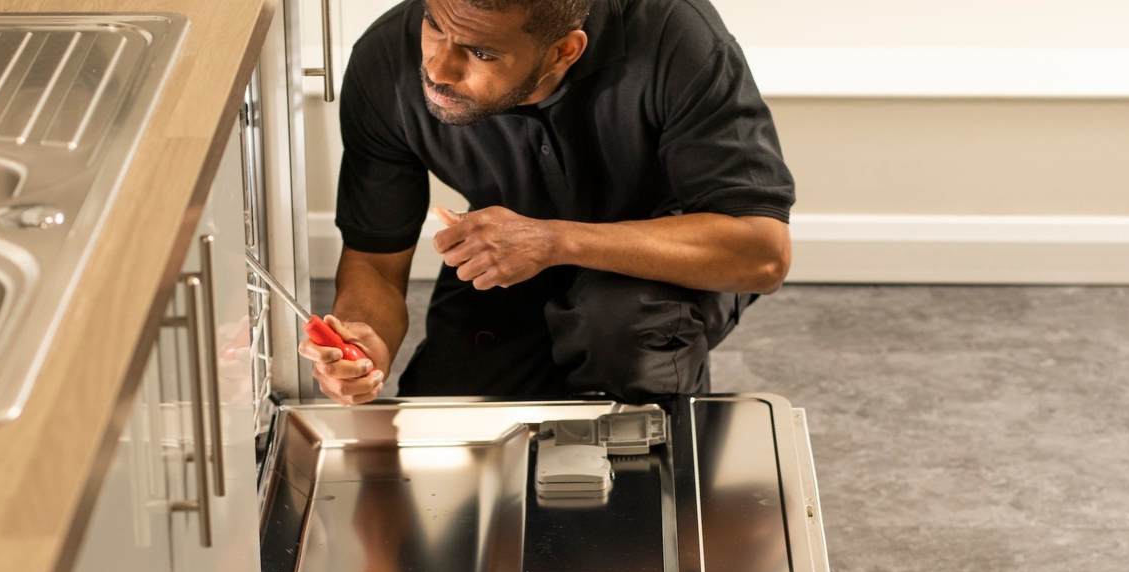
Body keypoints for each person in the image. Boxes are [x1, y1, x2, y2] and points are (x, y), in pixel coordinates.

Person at [302, 0, 794, 404]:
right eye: (434, 24)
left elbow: (762, 252)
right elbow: (374, 263)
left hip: (668, 260)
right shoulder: (385, 59)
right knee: (446, 413)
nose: (437, 67)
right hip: (509, 258)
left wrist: (553, 240)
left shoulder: (677, 37)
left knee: (624, 334)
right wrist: (366, 341)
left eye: (481, 53)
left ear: (564, 51)